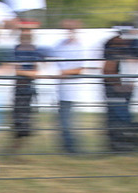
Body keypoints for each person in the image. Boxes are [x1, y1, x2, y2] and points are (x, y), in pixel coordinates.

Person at [103, 28, 138, 152]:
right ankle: (120, 144)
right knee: (119, 117)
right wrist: (118, 86)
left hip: (125, 87)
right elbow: (108, 69)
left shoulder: (132, 46)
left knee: (122, 116)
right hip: (116, 88)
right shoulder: (113, 46)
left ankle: (125, 143)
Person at [52, 19, 86, 154]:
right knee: (63, 119)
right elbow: (51, 56)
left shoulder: (78, 46)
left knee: (66, 119)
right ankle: (67, 146)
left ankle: (71, 148)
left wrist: (62, 72)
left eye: (72, 30)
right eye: (68, 30)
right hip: (60, 88)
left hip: (70, 89)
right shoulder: (60, 45)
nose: (69, 32)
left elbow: (80, 68)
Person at [9, 25, 43, 152]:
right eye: (24, 34)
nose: (25, 36)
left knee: (24, 119)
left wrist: (23, 72)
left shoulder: (33, 50)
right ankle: (16, 148)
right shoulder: (17, 49)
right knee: (17, 118)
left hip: (26, 88)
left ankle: (18, 149)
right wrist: (26, 73)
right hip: (19, 87)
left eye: (28, 34)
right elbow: (18, 70)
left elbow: (34, 72)